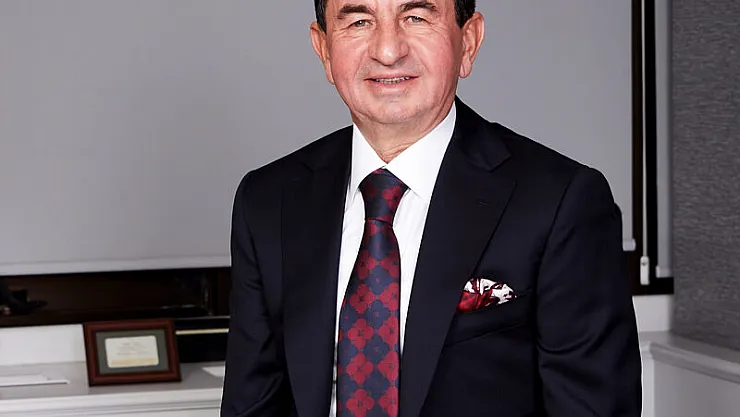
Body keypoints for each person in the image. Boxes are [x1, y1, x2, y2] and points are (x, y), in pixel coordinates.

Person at [220, 0, 642, 416]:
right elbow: (251, 404)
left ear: (468, 41)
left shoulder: (560, 200)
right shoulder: (268, 200)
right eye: (360, 21)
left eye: (416, 17)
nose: (388, 50)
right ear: (324, 49)